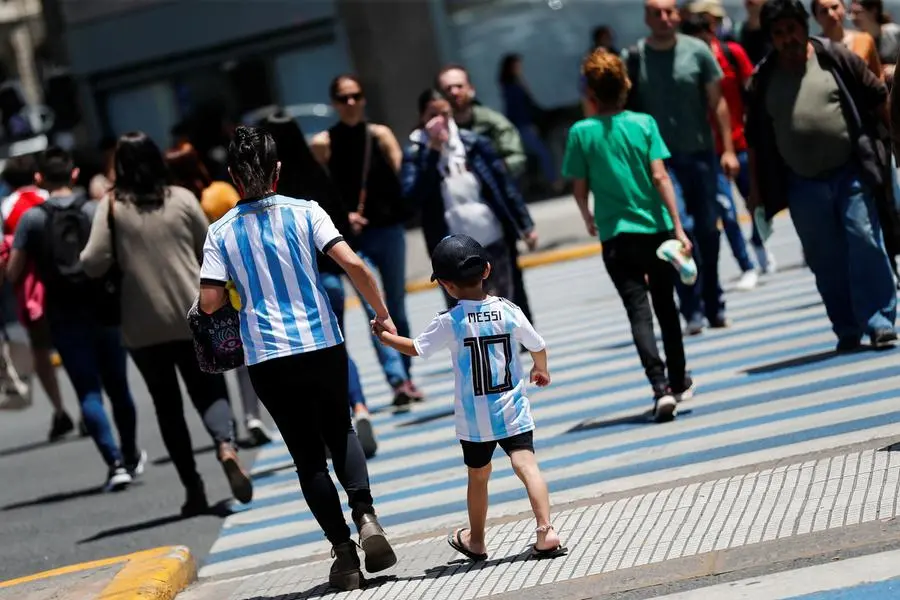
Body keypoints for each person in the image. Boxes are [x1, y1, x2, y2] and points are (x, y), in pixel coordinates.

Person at [198, 126, 397, 591]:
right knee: (339, 428)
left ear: (232, 177)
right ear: (278, 171)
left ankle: (343, 553)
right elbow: (354, 265)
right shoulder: (306, 212)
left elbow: (209, 302)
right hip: (321, 341)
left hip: (267, 354)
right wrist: (380, 312)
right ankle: (366, 515)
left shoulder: (220, 232)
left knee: (306, 455)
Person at [80, 132, 253, 514]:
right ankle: (225, 445)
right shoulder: (182, 198)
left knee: (167, 405)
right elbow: (209, 247)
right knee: (208, 388)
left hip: (142, 324)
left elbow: (92, 261)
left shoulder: (111, 206)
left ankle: (194, 490)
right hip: (193, 313)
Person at [372, 234, 565, 561]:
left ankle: (476, 540)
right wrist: (540, 369)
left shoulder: (449, 322)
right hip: (512, 410)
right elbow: (538, 345)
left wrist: (386, 337)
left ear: (446, 285)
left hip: (474, 420)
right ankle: (546, 531)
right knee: (526, 465)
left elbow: (416, 348)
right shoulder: (508, 310)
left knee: (478, 477)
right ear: (487, 270)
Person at [746, 0, 897, 350]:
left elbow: (877, 95)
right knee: (824, 257)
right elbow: (754, 140)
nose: (787, 39)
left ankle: (879, 320)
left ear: (804, 26)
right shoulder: (763, 80)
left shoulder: (834, 57)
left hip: (850, 170)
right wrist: (755, 190)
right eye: (779, 33)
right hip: (801, 182)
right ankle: (846, 327)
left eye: (792, 29)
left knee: (864, 239)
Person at [563, 49, 694, 422]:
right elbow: (660, 176)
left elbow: (578, 185)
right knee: (666, 305)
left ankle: (659, 388)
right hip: (656, 230)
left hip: (616, 236)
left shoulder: (581, 132)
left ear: (590, 91)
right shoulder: (643, 123)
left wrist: (588, 217)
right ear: (625, 85)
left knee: (638, 311)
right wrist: (679, 226)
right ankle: (679, 379)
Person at [6, 147, 142, 491]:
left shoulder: (32, 220)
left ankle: (114, 463)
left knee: (88, 392)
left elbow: (13, 272)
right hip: (105, 310)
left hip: (64, 315)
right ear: (75, 174)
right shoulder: (94, 209)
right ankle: (129, 454)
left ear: (40, 179)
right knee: (119, 388)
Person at [262, 109, 377, 457]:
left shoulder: (272, 186)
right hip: (329, 276)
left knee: (305, 359)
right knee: (337, 348)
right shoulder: (316, 172)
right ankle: (360, 408)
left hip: (295, 282)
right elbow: (340, 220)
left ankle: (329, 425)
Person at [624, 0, 740, 336]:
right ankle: (691, 308)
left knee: (708, 230)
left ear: (678, 15)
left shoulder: (698, 51)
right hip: (661, 163)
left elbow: (717, 101)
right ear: (646, 18)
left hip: (702, 155)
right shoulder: (635, 58)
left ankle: (714, 302)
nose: (663, 18)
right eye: (656, 13)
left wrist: (728, 149)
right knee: (680, 230)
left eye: (669, 11)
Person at [311, 74, 424, 412]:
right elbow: (317, 191)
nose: (350, 103)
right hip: (351, 239)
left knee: (397, 305)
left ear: (363, 99)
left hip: (388, 229)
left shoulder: (379, 135)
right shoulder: (323, 143)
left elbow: (404, 176)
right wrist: (343, 217)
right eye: (343, 97)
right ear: (333, 102)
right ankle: (397, 381)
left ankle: (405, 373)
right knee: (378, 305)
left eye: (355, 96)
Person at [164, 141, 274, 447]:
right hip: (235, 282)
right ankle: (253, 416)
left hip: (196, 286)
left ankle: (226, 426)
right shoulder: (221, 193)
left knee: (215, 357)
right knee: (247, 352)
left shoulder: (173, 203)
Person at [402, 90, 536, 307]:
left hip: (491, 239)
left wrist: (525, 225)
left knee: (502, 310)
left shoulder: (473, 143)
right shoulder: (416, 154)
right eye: (432, 115)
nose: (440, 121)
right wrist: (433, 151)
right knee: (465, 319)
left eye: (444, 113)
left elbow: (502, 186)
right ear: (422, 118)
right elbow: (412, 199)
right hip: (452, 253)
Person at [436, 65, 539, 328]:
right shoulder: (434, 133)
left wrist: (494, 171)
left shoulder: (490, 122)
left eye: (459, 86)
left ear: (470, 89)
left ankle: (520, 333)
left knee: (509, 282)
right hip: (455, 225)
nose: (454, 92)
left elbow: (516, 156)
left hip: (494, 217)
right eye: (448, 88)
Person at [683, 10, 778, 281]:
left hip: (742, 142)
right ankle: (747, 265)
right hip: (709, 152)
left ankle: (759, 243)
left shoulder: (731, 54)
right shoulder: (687, 67)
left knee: (758, 202)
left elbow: (753, 91)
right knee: (726, 210)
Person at [1, 155, 73, 440]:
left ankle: (59, 410)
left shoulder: (7, 208)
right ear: (36, 175)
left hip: (33, 294)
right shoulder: (49, 196)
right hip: (68, 284)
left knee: (41, 353)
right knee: (75, 345)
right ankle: (88, 406)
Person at [497, 54, 562, 193]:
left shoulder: (514, 84)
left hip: (521, 125)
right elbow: (519, 109)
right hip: (522, 126)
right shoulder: (512, 87)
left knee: (523, 158)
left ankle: (513, 188)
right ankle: (553, 181)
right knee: (539, 154)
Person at [811, 0, 883, 76]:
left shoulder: (864, 40)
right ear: (816, 18)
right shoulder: (813, 46)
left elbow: (878, 77)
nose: (831, 14)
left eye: (835, 7)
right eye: (824, 11)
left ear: (844, 8)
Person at [850, 0, 900, 85]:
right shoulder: (855, 40)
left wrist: (895, 69)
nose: (853, 17)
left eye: (857, 12)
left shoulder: (894, 34)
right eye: (850, 13)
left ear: (873, 11)